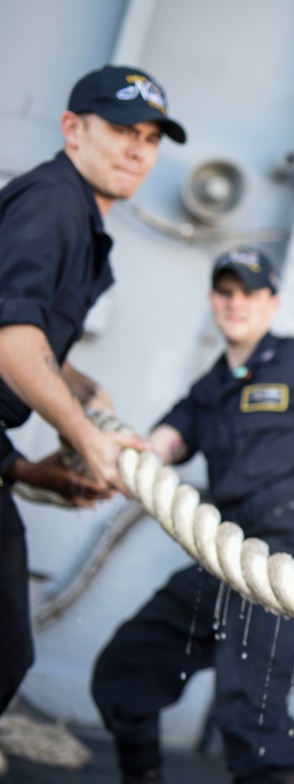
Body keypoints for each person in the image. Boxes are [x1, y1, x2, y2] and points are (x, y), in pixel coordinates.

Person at [91, 246, 294, 784]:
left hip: (284, 553)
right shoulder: (212, 387)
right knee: (125, 667)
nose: (236, 303)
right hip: (222, 554)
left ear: (272, 302)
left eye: (249, 293)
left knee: (248, 706)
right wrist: (120, 459)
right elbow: (164, 443)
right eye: (226, 292)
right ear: (213, 300)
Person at [0, 64, 186, 716]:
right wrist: (85, 437)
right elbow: (10, 340)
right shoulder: (54, 203)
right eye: (122, 130)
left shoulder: (78, 219)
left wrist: (83, 395)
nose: (139, 149)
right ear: (73, 129)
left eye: (152, 137)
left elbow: (31, 347)